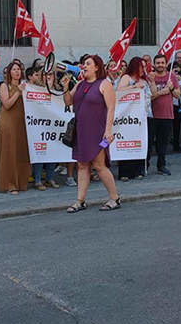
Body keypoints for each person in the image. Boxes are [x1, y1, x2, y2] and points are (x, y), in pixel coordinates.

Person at [62, 55, 120, 212]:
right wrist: (66, 87)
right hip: (81, 131)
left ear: (96, 67)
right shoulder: (80, 84)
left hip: (97, 131)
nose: (84, 66)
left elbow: (111, 108)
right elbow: (68, 102)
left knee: (99, 165)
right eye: (84, 64)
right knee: (81, 165)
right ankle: (80, 201)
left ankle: (114, 198)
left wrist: (108, 131)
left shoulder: (104, 84)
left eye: (88, 64)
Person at [0, 61, 32, 194]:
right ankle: (9, 184)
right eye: (14, 69)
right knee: (9, 152)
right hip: (8, 122)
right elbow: (7, 104)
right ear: (9, 72)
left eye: (19, 69)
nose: (17, 72)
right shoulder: (4, 86)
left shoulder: (25, 85)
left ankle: (21, 182)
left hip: (22, 122)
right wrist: (18, 91)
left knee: (20, 151)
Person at [117, 57, 150, 180]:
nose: (144, 69)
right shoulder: (127, 78)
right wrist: (135, 87)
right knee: (127, 142)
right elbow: (119, 91)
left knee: (140, 141)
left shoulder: (144, 80)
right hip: (128, 117)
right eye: (142, 67)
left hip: (143, 116)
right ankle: (125, 171)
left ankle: (138, 170)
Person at [150, 54, 181, 175]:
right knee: (150, 143)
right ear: (154, 64)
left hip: (167, 115)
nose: (160, 65)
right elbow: (150, 96)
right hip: (152, 115)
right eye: (157, 63)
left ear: (166, 63)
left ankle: (161, 165)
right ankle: (145, 165)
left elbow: (178, 95)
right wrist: (162, 91)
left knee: (163, 143)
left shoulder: (171, 77)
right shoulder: (150, 77)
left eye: (162, 63)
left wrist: (172, 88)